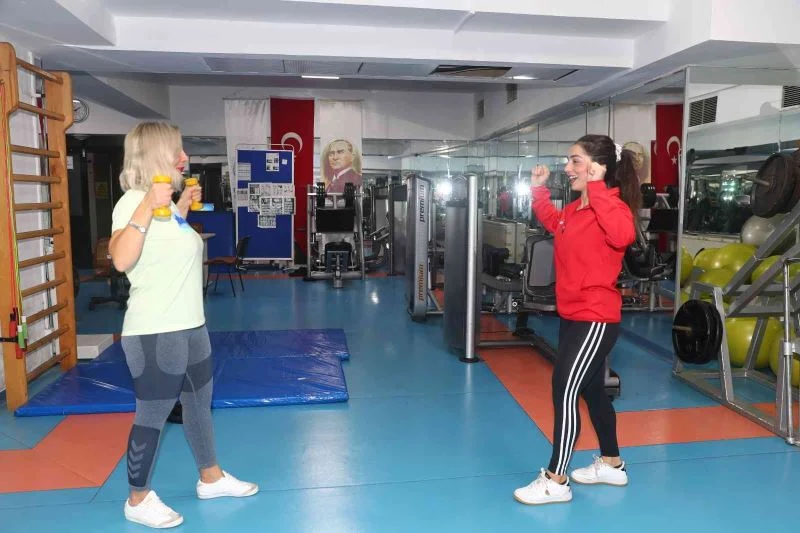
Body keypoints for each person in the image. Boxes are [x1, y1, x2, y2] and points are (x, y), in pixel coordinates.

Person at [109, 122, 258, 529]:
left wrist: (182, 207)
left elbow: (167, 248)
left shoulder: (164, 207)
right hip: (156, 331)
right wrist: (146, 205)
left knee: (198, 405)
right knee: (153, 413)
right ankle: (137, 499)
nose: (184, 158)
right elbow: (121, 259)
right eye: (177, 151)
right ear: (156, 154)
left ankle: (211, 477)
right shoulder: (132, 202)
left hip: (192, 326)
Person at [513, 134, 640, 506]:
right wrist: (539, 191)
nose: (567, 168)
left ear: (597, 167)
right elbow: (556, 223)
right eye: (568, 161)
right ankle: (612, 464)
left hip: (595, 317)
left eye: (575, 161)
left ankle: (556, 480)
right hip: (573, 314)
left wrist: (598, 187)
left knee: (565, 388)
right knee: (592, 391)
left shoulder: (611, 205)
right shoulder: (575, 209)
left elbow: (623, 234)